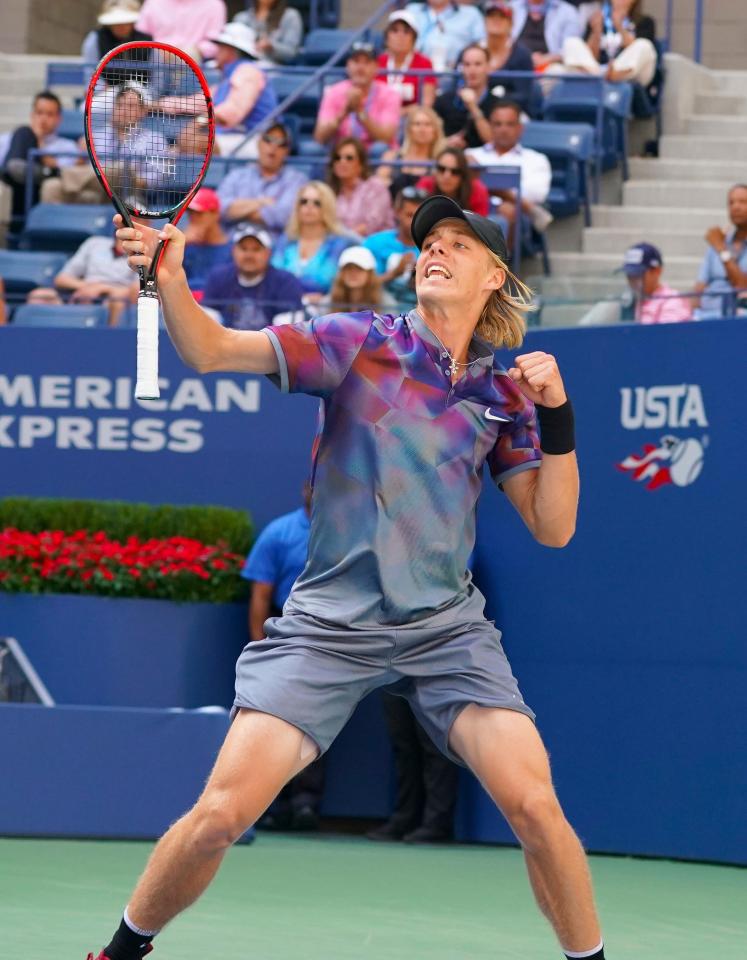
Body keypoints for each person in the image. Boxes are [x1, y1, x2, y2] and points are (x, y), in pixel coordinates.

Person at [100, 189, 606, 960]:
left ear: (494, 276)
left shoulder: (505, 397)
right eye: (428, 241)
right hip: (329, 625)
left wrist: (559, 414)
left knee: (536, 808)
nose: (434, 249)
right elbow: (210, 349)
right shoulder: (354, 340)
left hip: (444, 632)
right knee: (217, 816)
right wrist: (169, 275)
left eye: (457, 244)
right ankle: (117, 953)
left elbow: (554, 527)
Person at [240, 482, 325, 832]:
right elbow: (261, 594)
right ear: (304, 489)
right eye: (313, 485)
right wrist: (260, 645)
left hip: (329, 632)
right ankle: (270, 804)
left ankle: (306, 803)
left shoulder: (349, 534)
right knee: (272, 721)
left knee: (316, 722)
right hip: (282, 630)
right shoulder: (279, 532)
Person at [368, 693, 458, 843]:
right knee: (403, 745)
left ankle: (437, 823)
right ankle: (405, 819)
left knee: (435, 745)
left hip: (434, 674)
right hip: (393, 673)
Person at [466, 100, 552, 234]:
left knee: (508, 210)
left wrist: (484, 180)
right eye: (498, 124)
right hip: (471, 209)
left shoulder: (536, 159)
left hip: (517, 218)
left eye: (509, 124)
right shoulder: (470, 155)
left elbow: (536, 194)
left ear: (520, 128)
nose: (503, 129)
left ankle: (501, 255)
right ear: (490, 126)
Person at [216, 121, 307, 239]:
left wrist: (239, 210)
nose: (273, 147)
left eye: (281, 143)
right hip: (234, 246)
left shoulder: (296, 180)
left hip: (275, 250)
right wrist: (261, 202)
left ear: (287, 150)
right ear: (258, 143)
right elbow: (220, 208)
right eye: (268, 139)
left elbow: (285, 216)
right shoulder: (237, 176)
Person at [202, 224, 305, 329]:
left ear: (268, 253)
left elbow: (286, 333)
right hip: (225, 343)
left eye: (256, 249)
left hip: (270, 344)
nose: (249, 255)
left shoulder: (286, 282)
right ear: (233, 251)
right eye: (243, 248)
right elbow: (207, 325)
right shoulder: (217, 278)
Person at [29, 232, 137, 326]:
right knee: (39, 295)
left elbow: (137, 290)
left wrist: (103, 288)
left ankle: (112, 339)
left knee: (116, 300)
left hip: (116, 297)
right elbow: (61, 279)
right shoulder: (94, 243)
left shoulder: (143, 253)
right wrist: (88, 287)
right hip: (83, 293)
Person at [1, 91, 77, 221]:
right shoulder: (9, 138)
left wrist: (38, 142)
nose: (43, 119)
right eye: (39, 113)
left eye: (49, 114)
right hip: (13, 190)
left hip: (38, 192)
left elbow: (65, 175)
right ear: (32, 115)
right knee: (23, 132)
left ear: (59, 119)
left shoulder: (68, 146)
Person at [206, 22, 278, 157]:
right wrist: (158, 105)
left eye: (221, 47)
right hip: (235, 137)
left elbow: (232, 113)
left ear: (231, 50)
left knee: (199, 143)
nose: (216, 52)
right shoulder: (228, 78)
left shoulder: (248, 71)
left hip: (257, 140)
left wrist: (201, 120)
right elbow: (198, 101)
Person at [314, 42, 401, 151]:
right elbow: (319, 137)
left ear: (376, 67)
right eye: (356, 62)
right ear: (348, 66)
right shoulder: (334, 92)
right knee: (314, 149)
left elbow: (386, 137)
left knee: (380, 148)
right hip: (342, 153)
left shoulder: (390, 94)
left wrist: (360, 111)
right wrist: (344, 112)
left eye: (366, 62)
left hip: (372, 152)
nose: (360, 68)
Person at [271, 182, 353, 297]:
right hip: (282, 308)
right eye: (304, 202)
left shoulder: (339, 245)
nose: (309, 206)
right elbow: (273, 278)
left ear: (327, 207)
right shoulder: (284, 241)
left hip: (324, 311)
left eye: (317, 203)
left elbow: (327, 282)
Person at [561, 0, 657, 86]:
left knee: (644, 45)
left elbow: (637, 53)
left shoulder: (645, 21)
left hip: (632, 75)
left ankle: (614, 74)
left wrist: (619, 26)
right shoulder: (599, 19)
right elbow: (591, 56)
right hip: (599, 70)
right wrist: (596, 32)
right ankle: (599, 76)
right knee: (571, 43)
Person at [363, 185, 426, 309]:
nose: (415, 221)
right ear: (397, 213)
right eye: (410, 215)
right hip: (377, 315)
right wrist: (393, 274)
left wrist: (419, 282)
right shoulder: (375, 243)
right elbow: (358, 286)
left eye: (420, 216)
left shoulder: (435, 248)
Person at [693, 183, 747, 320]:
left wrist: (722, 250)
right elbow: (699, 287)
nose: (736, 207)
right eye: (731, 203)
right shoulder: (718, 243)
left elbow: (742, 286)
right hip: (705, 315)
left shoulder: (718, 244)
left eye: (743, 202)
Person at [434, 43, 501, 150]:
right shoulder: (444, 100)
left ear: (488, 67)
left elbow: (493, 142)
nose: (472, 70)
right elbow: (429, 139)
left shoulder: (498, 104)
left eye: (478, 64)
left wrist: (473, 107)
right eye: (467, 64)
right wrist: (446, 143)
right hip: (447, 160)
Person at [326, 137, 395, 237]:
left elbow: (372, 225)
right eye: (337, 158)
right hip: (340, 243)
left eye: (349, 158)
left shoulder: (375, 187)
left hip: (373, 244)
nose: (342, 162)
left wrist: (345, 237)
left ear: (360, 164)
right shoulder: (329, 191)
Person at [378, 106, 446, 201]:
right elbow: (378, 184)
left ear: (435, 131)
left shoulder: (441, 162)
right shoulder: (391, 157)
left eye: (428, 124)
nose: (422, 129)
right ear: (409, 129)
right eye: (417, 124)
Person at [377, 10, 437, 110]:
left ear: (414, 38)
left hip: (411, 121)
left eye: (406, 32)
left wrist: (400, 113)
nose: (400, 36)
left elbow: (427, 103)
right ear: (386, 37)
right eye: (395, 30)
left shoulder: (424, 63)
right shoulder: (377, 62)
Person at [404, 0, 486, 71]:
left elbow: (482, 46)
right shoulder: (412, 11)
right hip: (415, 75)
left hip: (458, 78)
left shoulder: (471, 14)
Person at [483, 2, 535, 115]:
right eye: (491, 16)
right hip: (476, 108)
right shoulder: (471, 51)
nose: (496, 20)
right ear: (484, 21)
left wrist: (494, 99)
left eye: (502, 17)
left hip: (511, 112)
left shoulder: (522, 54)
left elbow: (524, 95)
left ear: (511, 24)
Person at [136, 0, 227, 62]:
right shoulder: (153, 2)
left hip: (196, 62)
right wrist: (161, 49)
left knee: (188, 54)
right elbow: (140, 36)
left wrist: (194, 50)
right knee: (156, 54)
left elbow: (216, 43)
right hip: (157, 60)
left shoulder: (214, 4)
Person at [181, 189, 232, 296]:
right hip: (184, 302)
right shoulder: (183, 244)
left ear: (216, 214)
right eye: (190, 213)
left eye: (199, 214)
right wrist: (181, 243)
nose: (193, 218)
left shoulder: (234, 249)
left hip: (217, 305)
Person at [317, 246, 397, 313]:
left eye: (359, 269)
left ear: (370, 273)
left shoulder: (386, 304)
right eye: (348, 268)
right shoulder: (328, 303)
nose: (353, 273)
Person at [510, 0, 582, 72]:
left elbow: (571, 48)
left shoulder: (568, 12)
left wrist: (547, 59)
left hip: (552, 67)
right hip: (515, 63)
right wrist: (525, 57)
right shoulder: (511, 7)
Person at [416, 146, 490, 215]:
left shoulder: (476, 190)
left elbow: (479, 226)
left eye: (455, 171)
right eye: (441, 169)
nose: (447, 176)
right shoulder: (425, 185)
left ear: (463, 175)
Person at [233, 0, 304, 65]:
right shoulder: (241, 18)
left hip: (277, 70)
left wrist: (271, 46)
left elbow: (291, 53)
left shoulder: (290, 16)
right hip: (245, 66)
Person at [81, 0, 152, 64]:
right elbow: (90, 72)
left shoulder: (148, 41)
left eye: (126, 22)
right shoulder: (95, 38)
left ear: (132, 23)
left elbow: (156, 74)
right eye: (116, 23)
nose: (121, 27)